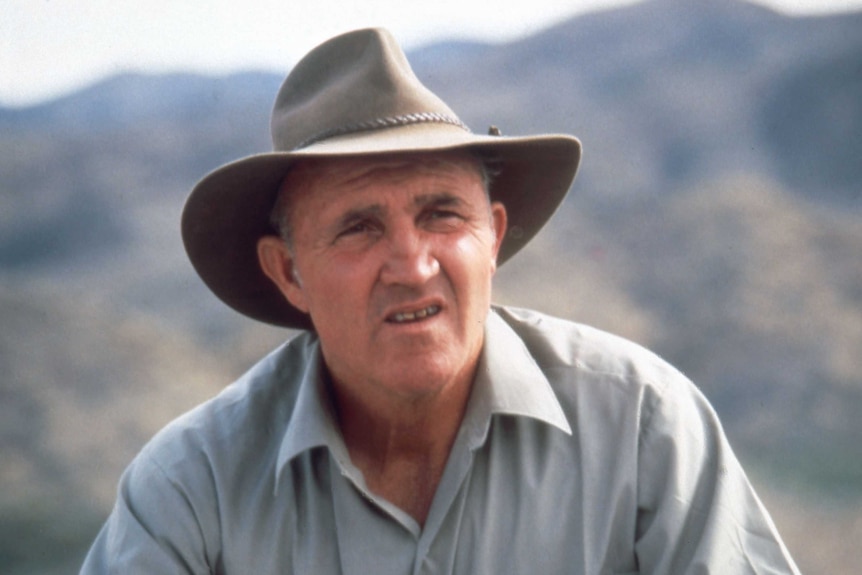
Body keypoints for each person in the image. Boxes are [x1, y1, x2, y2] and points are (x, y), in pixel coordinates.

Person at [80, 28, 800, 574]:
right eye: (359, 227)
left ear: (493, 237)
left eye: (442, 215)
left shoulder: (644, 427)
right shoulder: (190, 485)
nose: (413, 264)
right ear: (288, 272)